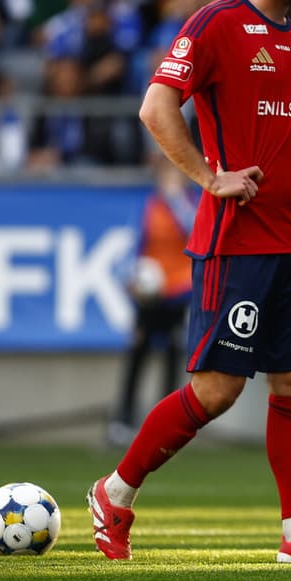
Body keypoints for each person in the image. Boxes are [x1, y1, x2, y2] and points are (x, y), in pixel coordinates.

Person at [87, 0, 291, 565]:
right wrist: (207, 176)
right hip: (236, 242)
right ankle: (115, 492)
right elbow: (155, 106)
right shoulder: (216, 24)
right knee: (218, 390)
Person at [106, 155, 197, 447]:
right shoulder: (148, 207)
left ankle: (167, 428)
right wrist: (130, 279)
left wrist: (174, 198)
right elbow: (133, 247)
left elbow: (195, 233)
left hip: (181, 290)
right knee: (138, 352)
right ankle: (123, 420)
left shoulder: (191, 204)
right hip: (150, 293)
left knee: (173, 355)